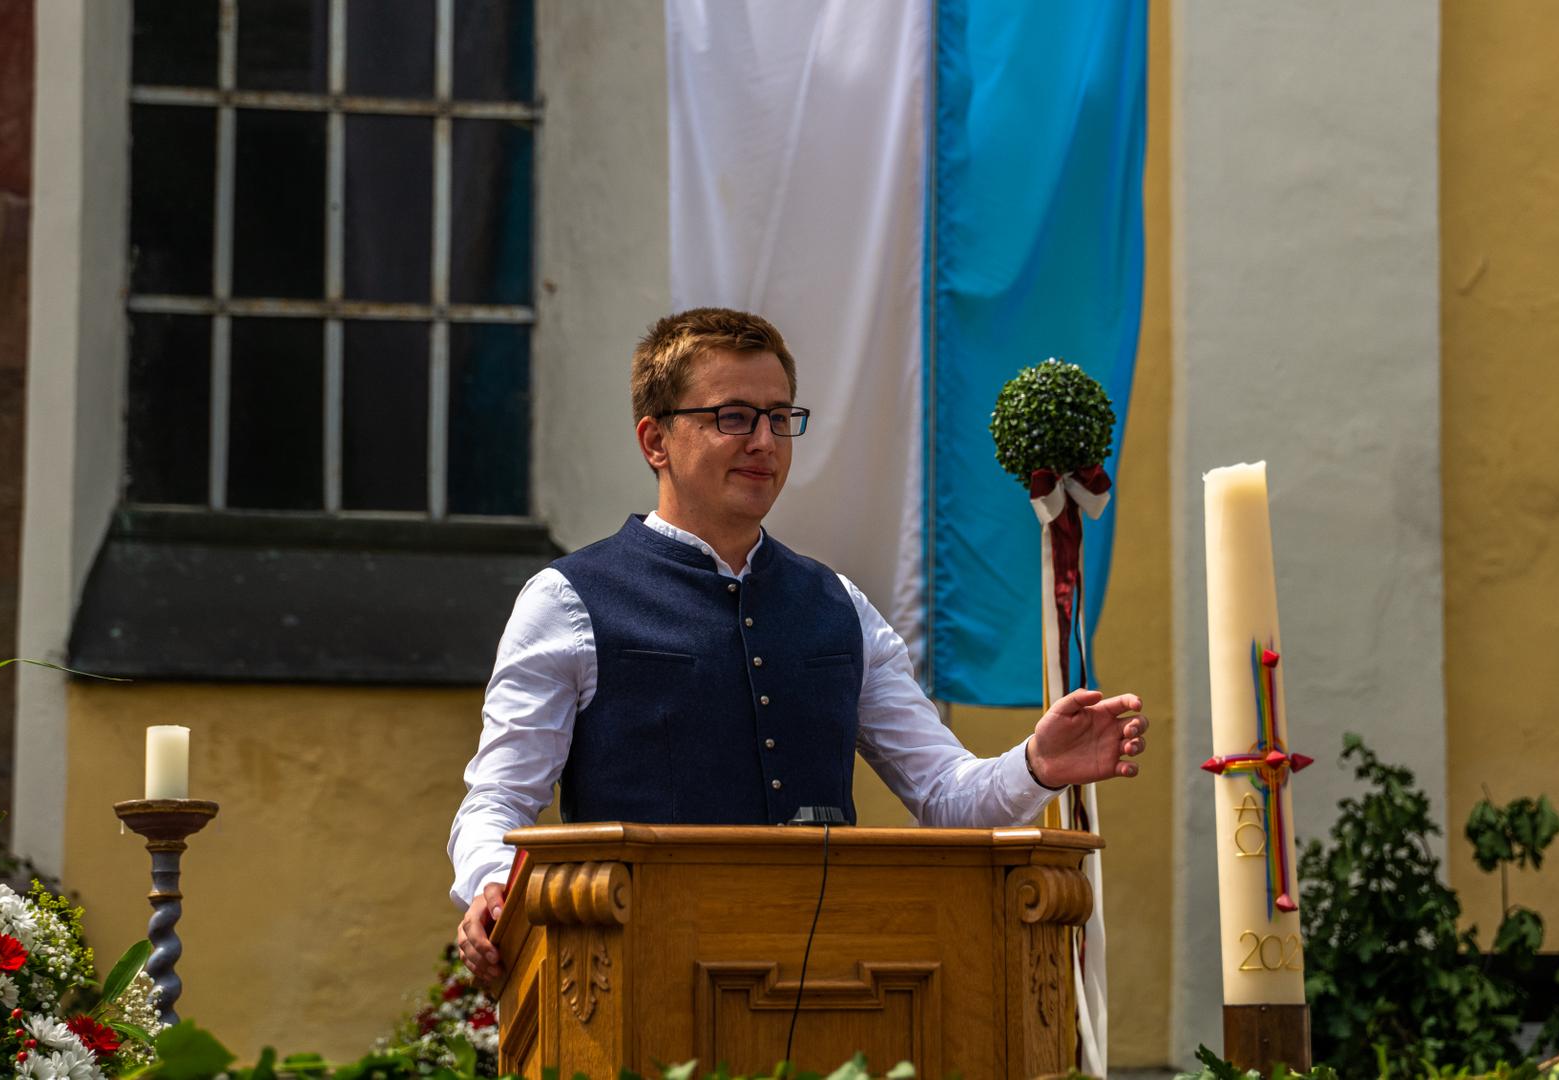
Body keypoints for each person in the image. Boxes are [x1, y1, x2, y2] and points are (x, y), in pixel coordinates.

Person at [448, 307, 1146, 981]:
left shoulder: (840, 605)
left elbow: (944, 794)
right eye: (733, 417)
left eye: (780, 418)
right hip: (639, 980)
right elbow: (497, 803)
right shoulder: (567, 600)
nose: (764, 441)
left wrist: (1037, 765)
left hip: (830, 982)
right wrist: (492, 884)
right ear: (655, 440)